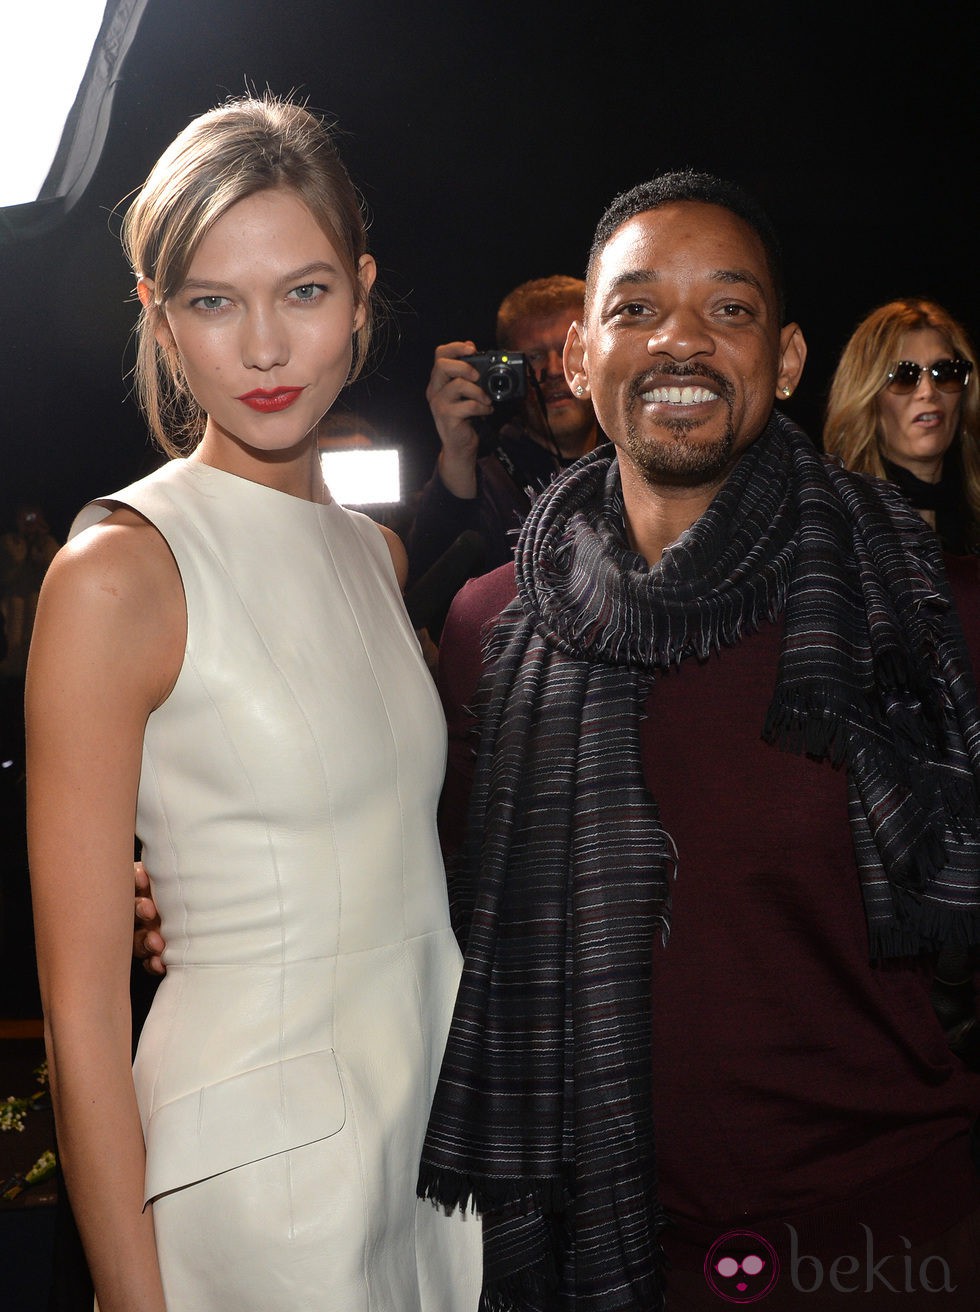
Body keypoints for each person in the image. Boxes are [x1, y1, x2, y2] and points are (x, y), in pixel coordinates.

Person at [417, 172, 980, 1310]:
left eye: (726, 308)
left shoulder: (926, 610)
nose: (678, 340)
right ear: (577, 358)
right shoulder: (487, 626)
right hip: (607, 1254)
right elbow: (435, 901)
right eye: (635, 308)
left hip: (892, 1243)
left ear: (782, 360)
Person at [27, 94, 480, 1312]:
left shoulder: (373, 556)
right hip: (259, 1189)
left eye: (306, 291)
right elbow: (78, 1011)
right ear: (161, 322)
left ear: (364, 290)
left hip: (431, 1146)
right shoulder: (121, 570)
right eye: (213, 302)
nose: (266, 348)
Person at [406, 275, 601, 590]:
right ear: (505, 368)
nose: (553, 370)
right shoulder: (482, 477)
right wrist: (456, 453)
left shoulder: (632, 463)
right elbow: (433, 594)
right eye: (534, 356)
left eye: (570, 350)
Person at [823, 297, 979, 555]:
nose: (928, 392)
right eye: (904, 376)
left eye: (945, 372)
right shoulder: (836, 527)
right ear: (867, 399)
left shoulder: (972, 519)